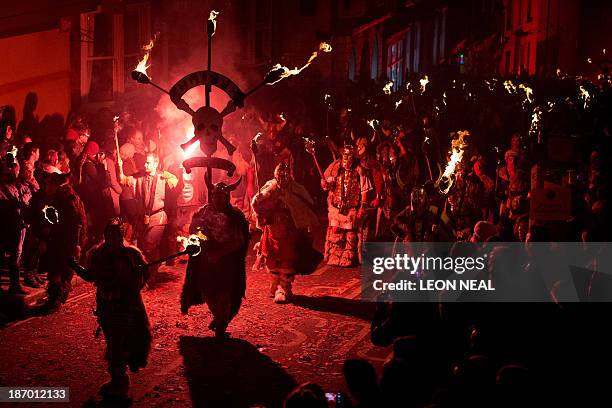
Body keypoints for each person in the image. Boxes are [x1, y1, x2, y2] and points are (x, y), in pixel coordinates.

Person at [70, 219, 151, 403]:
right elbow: (91, 276)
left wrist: (132, 277)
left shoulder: (131, 255)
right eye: (109, 235)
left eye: (116, 235)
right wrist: (74, 265)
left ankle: (120, 384)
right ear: (105, 236)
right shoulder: (98, 254)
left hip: (126, 307)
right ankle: (118, 380)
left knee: (118, 345)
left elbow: (143, 278)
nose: (112, 239)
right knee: (113, 343)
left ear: (122, 236)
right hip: (106, 307)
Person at [180, 178, 249, 338]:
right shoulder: (202, 213)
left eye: (221, 196)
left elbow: (240, 240)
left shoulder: (236, 216)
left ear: (227, 197)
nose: (218, 199)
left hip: (227, 261)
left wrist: (221, 252)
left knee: (224, 294)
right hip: (206, 260)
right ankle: (219, 318)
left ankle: (221, 324)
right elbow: (194, 231)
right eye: (215, 196)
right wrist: (203, 239)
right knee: (207, 293)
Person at [252, 163, 321, 303]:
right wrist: (258, 202)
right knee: (271, 259)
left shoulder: (297, 189)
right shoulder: (269, 188)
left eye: (285, 177)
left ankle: (284, 288)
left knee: (287, 260)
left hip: (290, 231)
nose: (282, 180)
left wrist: (305, 226)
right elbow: (257, 206)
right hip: (272, 230)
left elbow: (305, 207)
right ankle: (275, 283)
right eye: (280, 177)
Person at [30, 169, 87, 313]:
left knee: (59, 270)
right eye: (45, 184)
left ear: (56, 185)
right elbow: (38, 217)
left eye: (49, 185)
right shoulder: (51, 197)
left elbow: (76, 223)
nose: (46, 187)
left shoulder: (67, 199)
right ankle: (55, 298)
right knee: (55, 269)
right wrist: (43, 235)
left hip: (65, 241)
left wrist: (76, 244)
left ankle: (55, 300)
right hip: (56, 239)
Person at [322, 145, 372, 266]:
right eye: (345, 154)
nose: (346, 157)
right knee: (336, 229)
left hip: (351, 208)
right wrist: (326, 185)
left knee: (350, 232)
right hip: (336, 206)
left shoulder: (360, 171)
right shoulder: (335, 169)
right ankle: (335, 255)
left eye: (349, 155)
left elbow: (364, 191)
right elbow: (328, 185)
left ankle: (348, 256)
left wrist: (362, 207)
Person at [132, 152, 178, 282]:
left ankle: (151, 273)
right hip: (143, 217)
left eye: (149, 162)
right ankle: (151, 270)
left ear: (156, 163)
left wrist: (171, 175)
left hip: (159, 216)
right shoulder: (139, 177)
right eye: (145, 162)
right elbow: (124, 180)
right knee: (142, 248)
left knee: (149, 244)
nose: (145, 165)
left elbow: (176, 184)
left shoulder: (164, 177)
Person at [0, 153, 31, 294]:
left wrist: (23, 198)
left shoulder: (17, 182)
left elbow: (28, 192)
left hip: (19, 221)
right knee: (10, 252)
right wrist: (21, 200)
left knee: (17, 252)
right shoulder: (3, 184)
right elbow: (13, 200)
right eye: (10, 167)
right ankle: (13, 284)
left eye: (15, 167)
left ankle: (15, 283)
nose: (13, 170)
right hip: (8, 222)